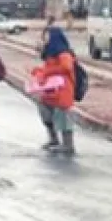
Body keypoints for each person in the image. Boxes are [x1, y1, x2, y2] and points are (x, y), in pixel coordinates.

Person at [33, 27, 77, 155]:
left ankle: (68, 144)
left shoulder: (63, 53)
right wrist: (39, 72)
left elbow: (66, 67)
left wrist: (47, 72)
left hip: (63, 89)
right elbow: (48, 67)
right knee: (45, 111)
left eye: (46, 36)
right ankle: (53, 139)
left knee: (63, 115)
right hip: (50, 90)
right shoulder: (49, 53)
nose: (45, 39)